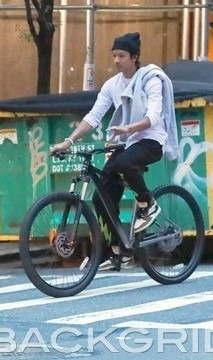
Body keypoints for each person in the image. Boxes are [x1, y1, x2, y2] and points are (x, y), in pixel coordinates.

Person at [51, 32, 178, 271]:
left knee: (123, 164)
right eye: (114, 56)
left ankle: (148, 203)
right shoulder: (112, 85)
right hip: (127, 143)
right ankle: (120, 251)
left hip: (151, 140)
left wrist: (128, 128)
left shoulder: (150, 79)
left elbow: (153, 116)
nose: (117, 60)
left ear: (134, 56)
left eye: (121, 55)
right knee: (102, 197)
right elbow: (93, 116)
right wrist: (68, 141)